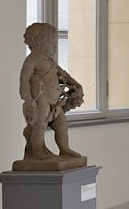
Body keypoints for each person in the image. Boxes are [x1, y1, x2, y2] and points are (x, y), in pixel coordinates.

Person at [18, 23, 85, 165]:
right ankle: (37, 151)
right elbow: (24, 80)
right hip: (41, 101)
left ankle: (64, 148)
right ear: (38, 42)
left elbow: (64, 75)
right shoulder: (32, 61)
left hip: (55, 103)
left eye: (55, 43)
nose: (55, 47)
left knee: (61, 125)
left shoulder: (50, 61)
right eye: (51, 43)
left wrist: (77, 85)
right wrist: (28, 100)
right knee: (40, 126)